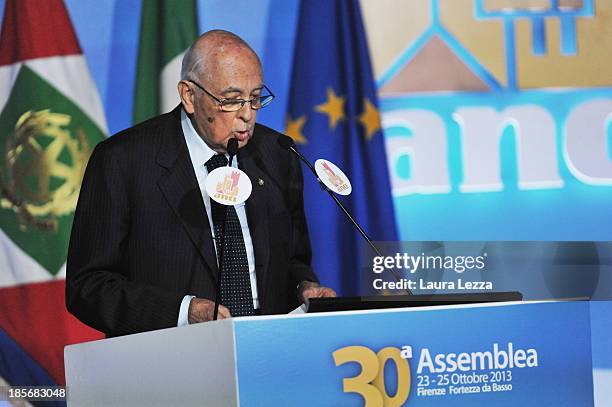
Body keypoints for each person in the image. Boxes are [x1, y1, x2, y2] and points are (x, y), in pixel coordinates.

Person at [66, 30, 335, 337]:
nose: (247, 115)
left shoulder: (277, 155)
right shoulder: (123, 161)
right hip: (170, 360)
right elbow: (87, 286)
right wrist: (184, 312)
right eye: (231, 100)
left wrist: (305, 286)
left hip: (267, 353)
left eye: (256, 97)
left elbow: (294, 260)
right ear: (189, 96)